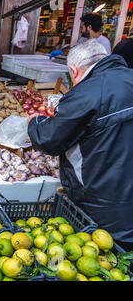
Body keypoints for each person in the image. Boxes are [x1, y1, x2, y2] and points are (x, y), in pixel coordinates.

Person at [27, 39, 133, 250]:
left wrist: (35, 123)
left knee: (101, 255)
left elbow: (49, 139)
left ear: (74, 71)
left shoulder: (87, 93)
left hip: (104, 198)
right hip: (126, 189)